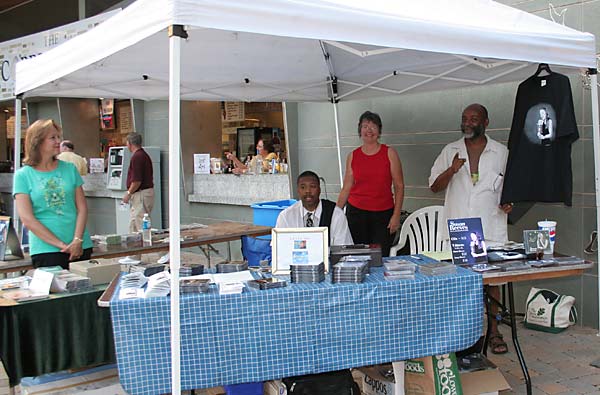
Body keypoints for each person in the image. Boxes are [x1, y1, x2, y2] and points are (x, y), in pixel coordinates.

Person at [429, 103, 513, 354]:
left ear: (486, 122)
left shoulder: (501, 152)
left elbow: (512, 187)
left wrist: (510, 203)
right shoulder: (450, 150)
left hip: (490, 224)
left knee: (493, 280)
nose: (467, 122)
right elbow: (434, 186)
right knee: (460, 282)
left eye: (474, 118)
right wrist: (452, 169)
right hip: (459, 226)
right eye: (464, 118)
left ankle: (495, 331)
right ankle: (461, 334)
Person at [13, 119, 93, 269]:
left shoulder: (69, 169)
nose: (58, 141)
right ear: (37, 142)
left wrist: (77, 240)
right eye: (52, 138)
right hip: (46, 249)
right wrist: (62, 245)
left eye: (58, 137)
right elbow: (27, 218)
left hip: (80, 245)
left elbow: (82, 208)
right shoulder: (23, 176)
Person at [336, 111, 404, 257]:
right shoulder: (353, 156)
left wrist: (396, 215)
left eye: (373, 126)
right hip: (356, 214)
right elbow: (346, 188)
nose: (369, 130)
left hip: (383, 215)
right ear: (359, 130)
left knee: (379, 257)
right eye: (365, 126)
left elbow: (399, 186)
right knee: (357, 256)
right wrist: (335, 213)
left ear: (379, 131)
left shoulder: (389, 153)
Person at [276, 170, 353, 246]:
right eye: (303, 187)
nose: (308, 191)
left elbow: (343, 248)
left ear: (319, 190)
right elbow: (279, 248)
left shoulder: (336, 214)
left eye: (312, 186)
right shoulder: (286, 216)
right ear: (298, 191)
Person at [122, 133, 154, 260]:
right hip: (143, 193)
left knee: (142, 226)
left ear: (129, 143)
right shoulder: (143, 155)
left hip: (140, 194)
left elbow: (136, 180)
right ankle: (133, 256)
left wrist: (128, 194)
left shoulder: (137, 157)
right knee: (134, 225)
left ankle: (159, 254)